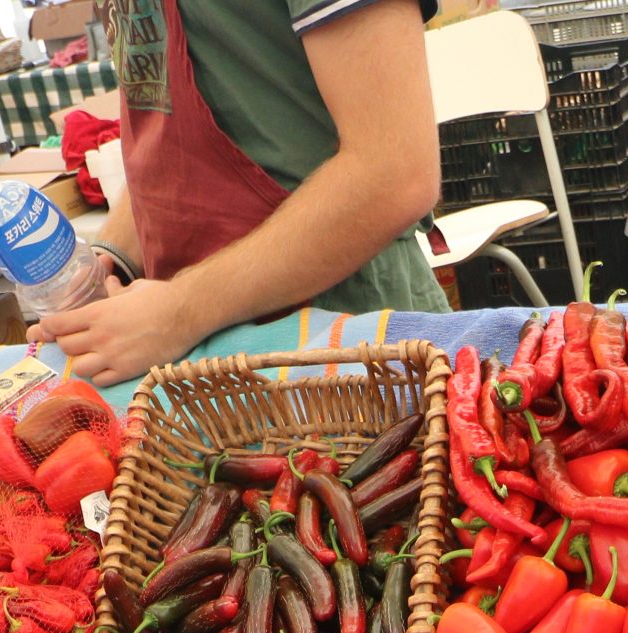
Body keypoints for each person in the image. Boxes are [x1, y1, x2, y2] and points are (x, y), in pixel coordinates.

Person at [35, 0, 446, 383]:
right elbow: (168, 124)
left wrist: (179, 311)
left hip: (340, 339)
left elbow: (394, 170)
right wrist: (113, 261)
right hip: (190, 342)